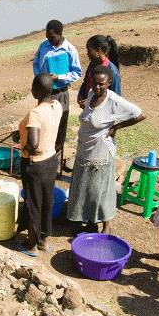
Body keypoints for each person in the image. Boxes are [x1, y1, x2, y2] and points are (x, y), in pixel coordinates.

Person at [67, 66, 145, 235]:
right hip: (85, 149)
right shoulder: (90, 95)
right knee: (86, 188)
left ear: (109, 83)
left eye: (101, 84)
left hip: (101, 152)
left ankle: (106, 226)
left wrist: (116, 127)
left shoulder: (113, 100)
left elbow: (139, 114)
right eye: (94, 83)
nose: (96, 87)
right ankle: (91, 222)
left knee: (100, 191)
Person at [12, 73, 62, 256]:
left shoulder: (35, 113)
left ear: (37, 92)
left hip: (35, 165)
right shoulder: (56, 106)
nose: (31, 90)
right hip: (50, 160)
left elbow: (33, 143)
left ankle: (31, 245)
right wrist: (21, 133)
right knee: (46, 202)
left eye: (33, 87)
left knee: (33, 204)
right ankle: (43, 241)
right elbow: (47, 127)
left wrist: (26, 147)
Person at [32, 20, 82, 157]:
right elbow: (35, 64)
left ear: (60, 34)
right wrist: (42, 79)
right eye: (47, 36)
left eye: (52, 37)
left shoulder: (70, 49)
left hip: (61, 93)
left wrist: (59, 77)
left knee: (60, 125)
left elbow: (77, 73)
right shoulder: (43, 46)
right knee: (42, 123)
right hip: (44, 93)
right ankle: (42, 154)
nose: (49, 39)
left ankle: (57, 157)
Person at [78, 35, 122, 101]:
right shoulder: (92, 65)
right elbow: (86, 82)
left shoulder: (112, 71)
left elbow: (116, 100)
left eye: (89, 50)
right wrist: (81, 95)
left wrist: (91, 102)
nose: (87, 54)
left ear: (98, 51)